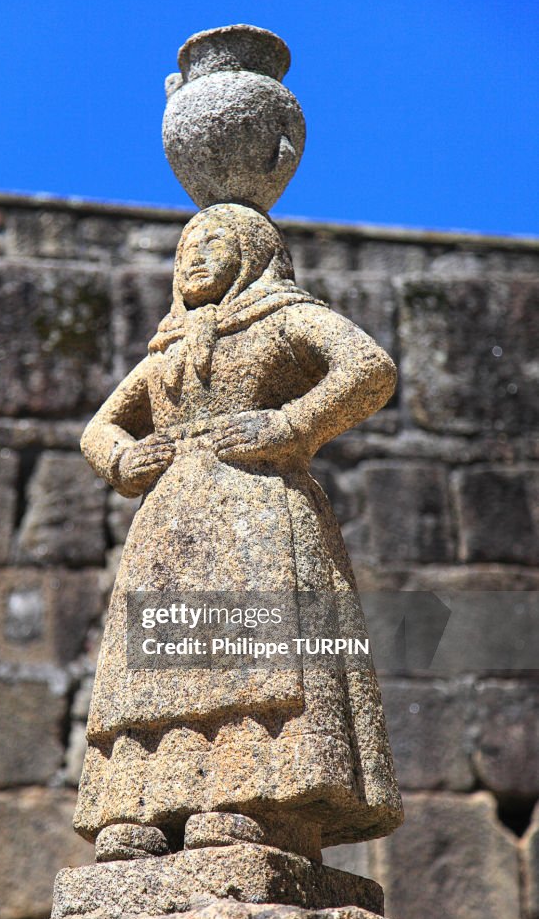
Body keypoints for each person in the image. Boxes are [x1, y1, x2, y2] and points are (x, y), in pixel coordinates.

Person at [74, 203, 403, 860]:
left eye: (213, 242)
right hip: (171, 529)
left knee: (254, 668)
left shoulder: (278, 318)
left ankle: (262, 805)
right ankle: (140, 809)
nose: (192, 256)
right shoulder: (167, 348)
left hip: (259, 517)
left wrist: (290, 425)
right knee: (157, 674)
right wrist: (122, 458)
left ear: (252, 254)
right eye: (185, 246)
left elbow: (369, 368)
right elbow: (100, 427)